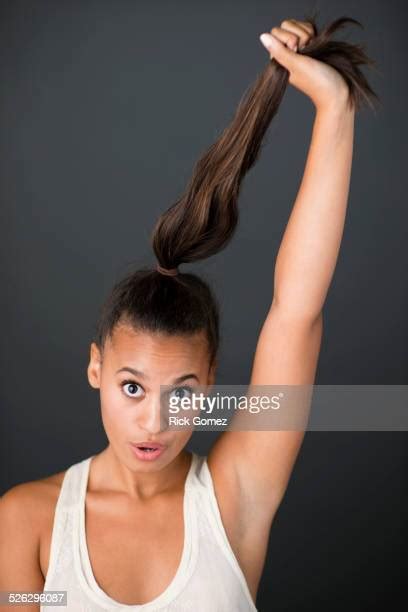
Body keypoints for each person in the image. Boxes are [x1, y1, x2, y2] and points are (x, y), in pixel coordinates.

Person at [0, 14, 377, 612]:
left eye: (183, 393)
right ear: (95, 368)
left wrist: (335, 108)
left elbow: (297, 311)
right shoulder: (26, 521)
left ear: (210, 385)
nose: (154, 423)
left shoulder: (233, 500)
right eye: (131, 386)